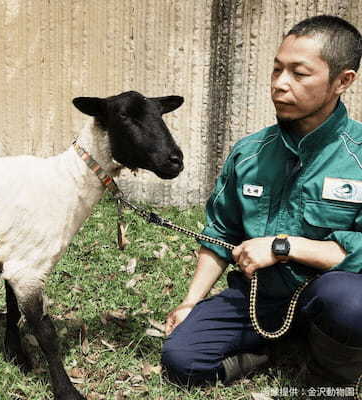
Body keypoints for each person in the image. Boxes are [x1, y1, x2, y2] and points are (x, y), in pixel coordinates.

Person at [161, 15, 362, 389]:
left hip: (329, 295)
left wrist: (286, 246)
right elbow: (219, 233)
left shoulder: (359, 156)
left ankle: (329, 378)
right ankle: (270, 349)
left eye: (299, 74)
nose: (280, 85)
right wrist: (190, 302)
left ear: (342, 81)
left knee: (351, 305)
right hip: (258, 296)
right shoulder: (250, 153)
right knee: (181, 361)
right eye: (276, 69)